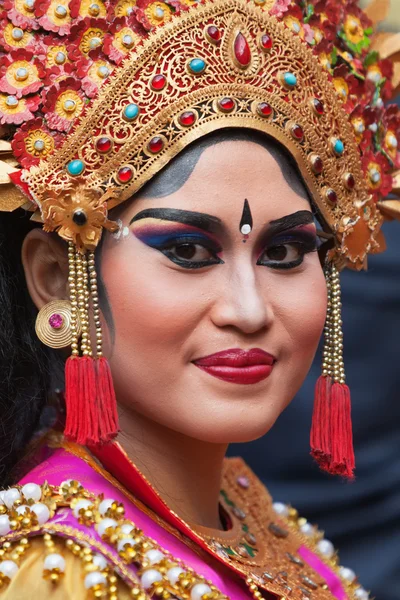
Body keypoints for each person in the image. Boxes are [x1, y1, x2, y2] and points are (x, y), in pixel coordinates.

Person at [0, 0, 399, 598]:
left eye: (286, 252)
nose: (249, 309)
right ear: (55, 277)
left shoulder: (244, 506)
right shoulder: (60, 566)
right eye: (188, 252)